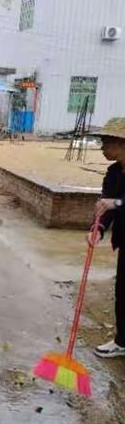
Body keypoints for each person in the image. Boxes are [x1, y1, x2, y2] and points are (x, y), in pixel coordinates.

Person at [87, 118, 125, 358]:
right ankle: (122, 342)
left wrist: (119, 202)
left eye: (106, 142)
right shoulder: (113, 172)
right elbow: (105, 204)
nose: (102, 147)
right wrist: (97, 229)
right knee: (122, 291)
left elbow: (115, 202)